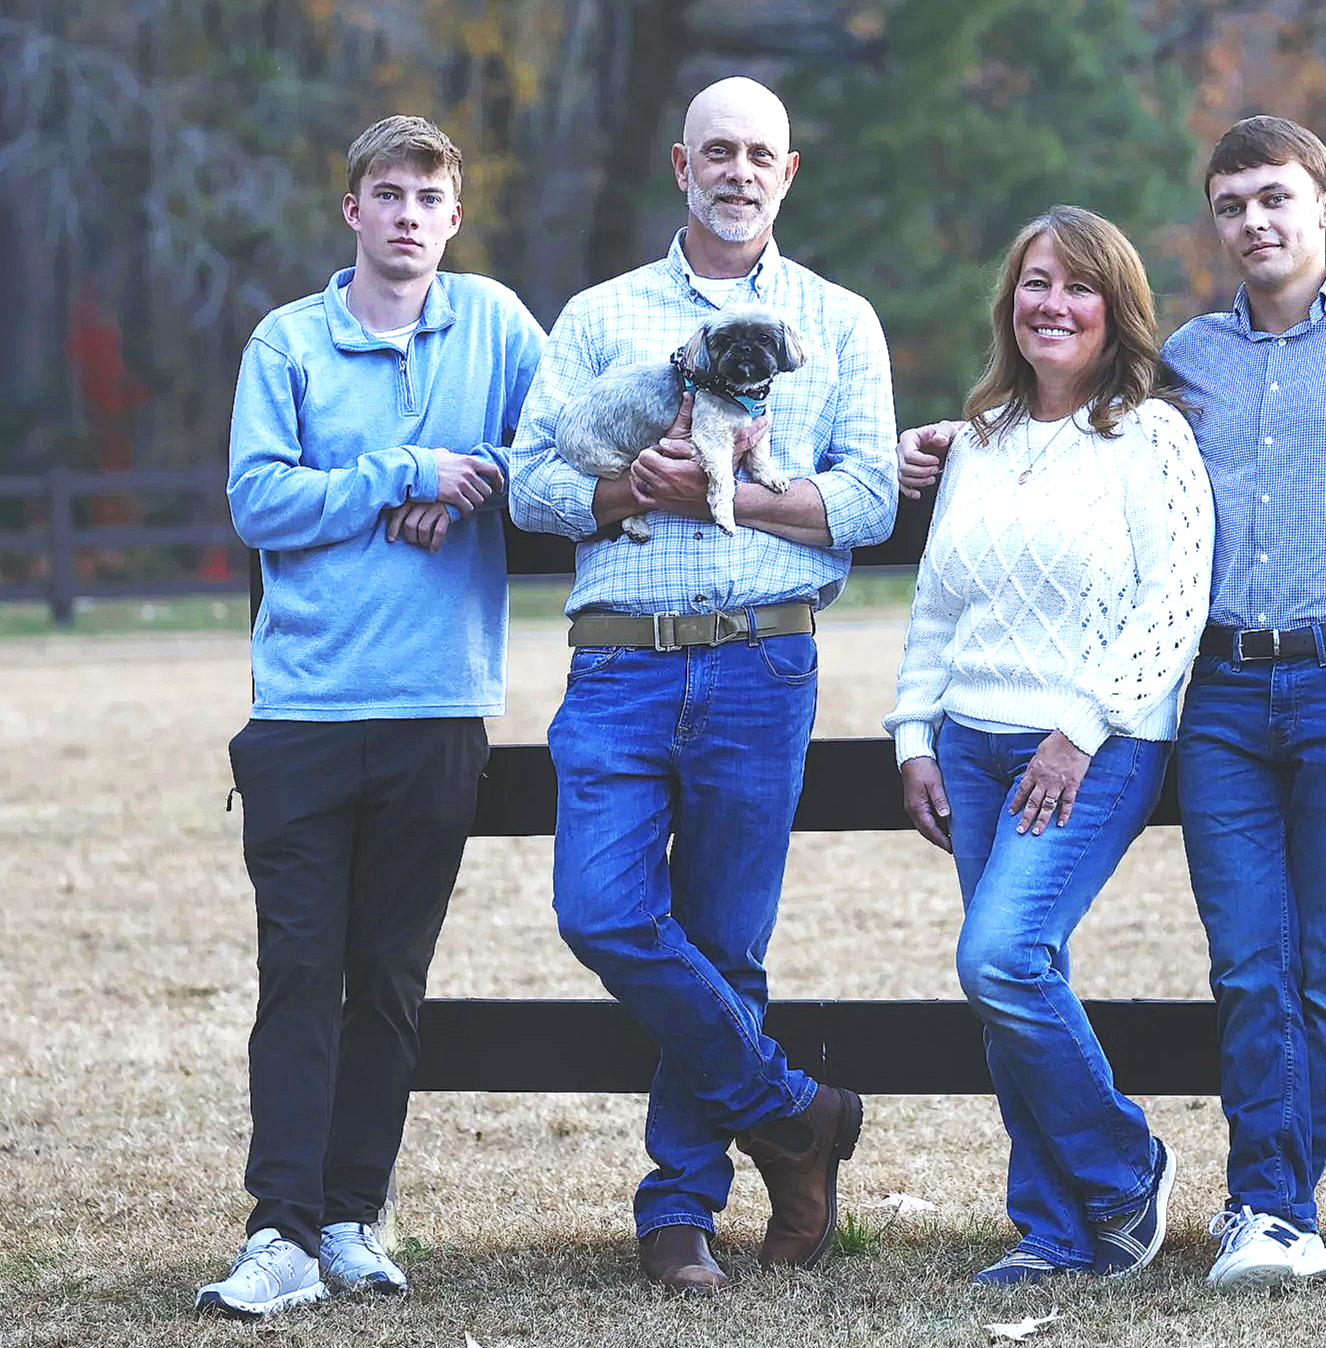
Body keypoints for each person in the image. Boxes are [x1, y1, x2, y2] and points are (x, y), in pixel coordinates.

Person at [897, 115, 1326, 1291]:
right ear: (1214, 223)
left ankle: (1275, 1206)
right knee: (1248, 958)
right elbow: (1074, 409)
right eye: (1231, 205)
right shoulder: (1193, 361)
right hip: (1218, 691)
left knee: (1323, 955)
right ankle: (1246, 1203)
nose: (1255, 222)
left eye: (1275, 198)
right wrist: (967, 437)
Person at [507, 77, 897, 1295]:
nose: (737, 170)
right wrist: (634, 490)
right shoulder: (599, 318)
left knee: (727, 941)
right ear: (682, 165)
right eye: (716, 151)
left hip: (761, 657)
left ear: (789, 173)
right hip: (619, 656)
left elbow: (872, 498)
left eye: (759, 155)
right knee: (602, 912)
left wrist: (731, 496)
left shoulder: (838, 322)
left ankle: (679, 1215)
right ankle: (796, 1110)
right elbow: (530, 483)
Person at [202, 115, 545, 1318]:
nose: (406, 214)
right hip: (303, 709)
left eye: (428, 197)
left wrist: (475, 477)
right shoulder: (289, 341)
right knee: (298, 973)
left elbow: (550, 448)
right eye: (386, 194)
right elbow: (258, 499)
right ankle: (279, 1233)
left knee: (390, 981)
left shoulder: (497, 324)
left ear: (455, 217)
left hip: (438, 705)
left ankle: (353, 1217)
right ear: (350, 209)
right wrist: (405, 471)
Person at [884, 206, 1212, 1285]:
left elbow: (1175, 601)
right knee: (1011, 983)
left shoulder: (1148, 434)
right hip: (971, 744)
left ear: (1115, 310)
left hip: (1094, 742)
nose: (1052, 304)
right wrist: (913, 735)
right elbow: (939, 602)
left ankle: (1125, 1170)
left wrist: (1078, 731)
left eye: (1077, 287)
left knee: (1001, 957)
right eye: (1035, 282)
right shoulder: (977, 439)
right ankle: (1055, 1230)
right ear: (1009, 303)